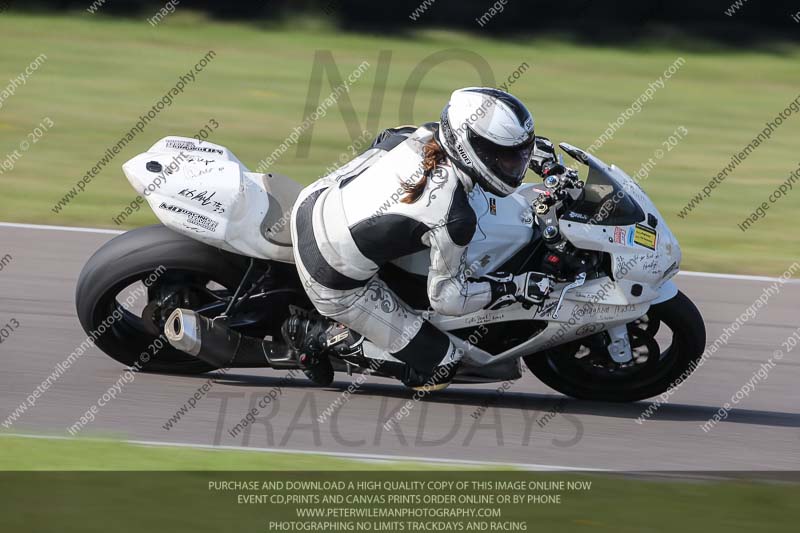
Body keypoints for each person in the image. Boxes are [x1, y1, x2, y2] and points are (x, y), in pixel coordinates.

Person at [282, 87, 557, 391]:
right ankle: (317, 334)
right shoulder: (455, 217)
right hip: (330, 273)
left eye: (521, 153)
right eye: (506, 156)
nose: (515, 164)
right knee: (441, 367)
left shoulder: (426, 133)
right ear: (470, 147)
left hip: (316, 197)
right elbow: (449, 298)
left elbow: (384, 141)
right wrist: (512, 287)